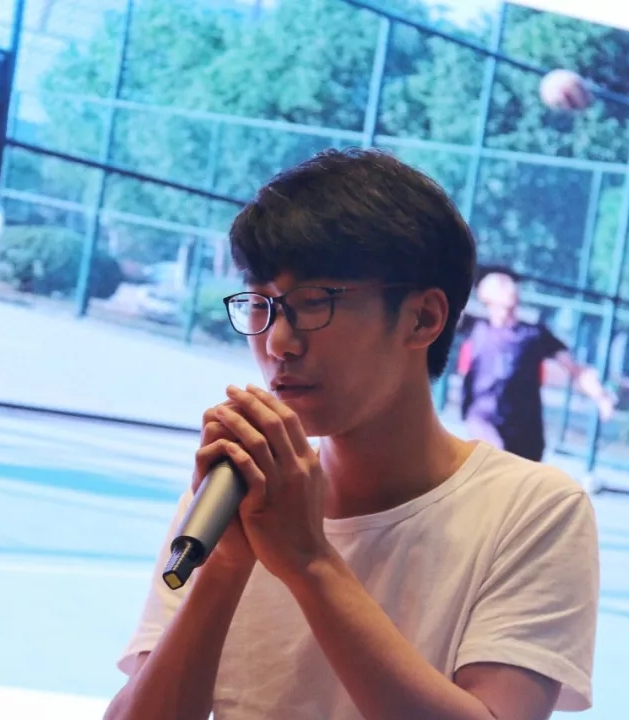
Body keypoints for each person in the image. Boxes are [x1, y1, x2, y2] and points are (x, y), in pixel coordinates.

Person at [106, 148, 599, 720]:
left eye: (314, 303)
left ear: (423, 318)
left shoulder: (535, 510)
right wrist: (225, 564)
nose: (278, 342)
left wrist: (310, 563)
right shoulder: (236, 500)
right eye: (261, 305)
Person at [458, 270, 616, 462]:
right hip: (484, 418)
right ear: (485, 296)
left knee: (521, 474)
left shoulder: (533, 335)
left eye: (508, 283)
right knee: (496, 457)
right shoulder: (475, 327)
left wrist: (601, 396)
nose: (508, 287)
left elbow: (576, 370)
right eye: (500, 284)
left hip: (526, 429)